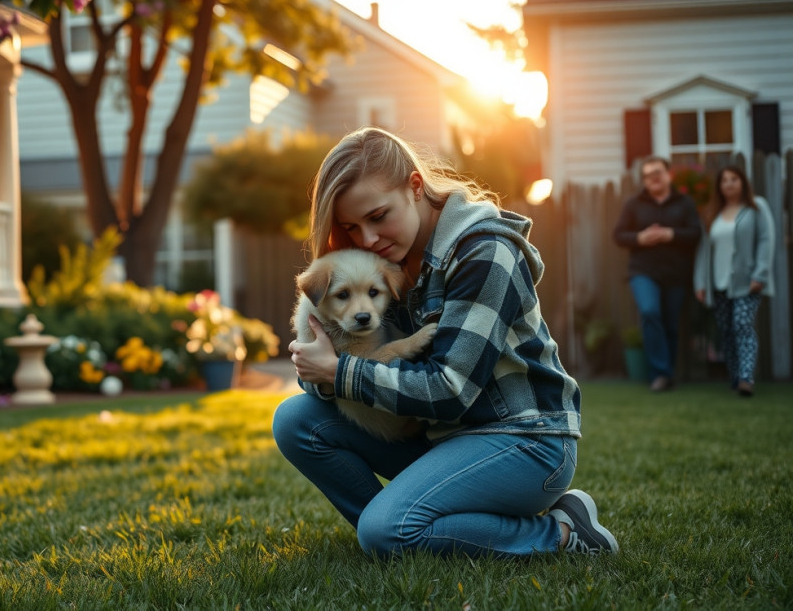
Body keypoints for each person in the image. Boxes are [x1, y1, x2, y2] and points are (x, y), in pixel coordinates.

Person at [275, 127, 617, 559]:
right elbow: (329, 367)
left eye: (378, 216)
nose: (366, 238)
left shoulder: (486, 251)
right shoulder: (385, 263)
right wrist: (321, 370)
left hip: (523, 441)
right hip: (443, 437)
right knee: (295, 420)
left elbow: (451, 388)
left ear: (415, 187)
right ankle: (402, 533)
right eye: (351, 227)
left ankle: (563, 533)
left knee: (387, 531)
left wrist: (339, 373)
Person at [611, 156, 702, 392]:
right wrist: (640, 237)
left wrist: (670, 234)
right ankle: (659, 374)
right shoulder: (634, 204)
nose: (654, 178)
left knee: (672, 324)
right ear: (644, 180)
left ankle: (667, 374)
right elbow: (619, 235)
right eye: (648, 175)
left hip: (676, 273)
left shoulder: (684, 203)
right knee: (650, 312)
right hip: (643, 272)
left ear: (668, 175)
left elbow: (695, 233)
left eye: (658, 173)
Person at [693, 166, 775, 397]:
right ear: (719, 186)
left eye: (734, 179)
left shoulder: (757, 207)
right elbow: (703, 251)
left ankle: (747, 379)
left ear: (743, 182)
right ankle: (735, 377)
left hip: (747, 281)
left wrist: (760, 274)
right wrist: (700, 282)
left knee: (742, 325)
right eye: (724, 180)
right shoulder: (712, 213)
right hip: (717, 284)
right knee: (726, 331)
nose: (729, 184)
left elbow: (766, 240)